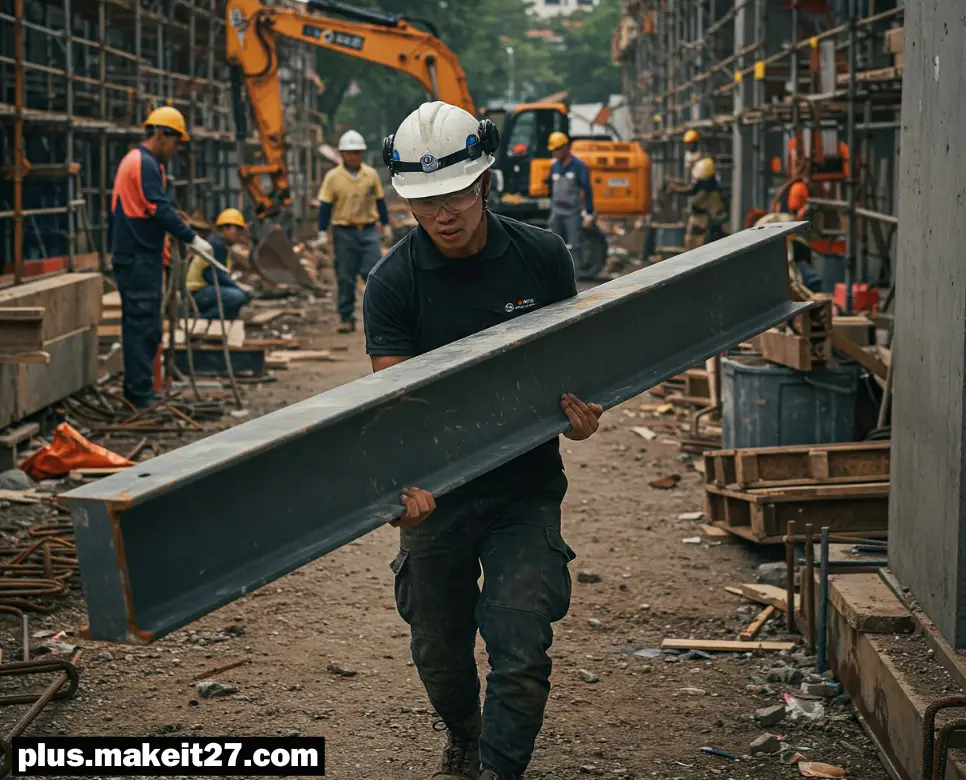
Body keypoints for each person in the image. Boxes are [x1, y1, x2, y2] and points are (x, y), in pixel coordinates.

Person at [363, 100, 605, 780]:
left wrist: (581, 414)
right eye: (425, 201)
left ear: (485, 182)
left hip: (524, 488)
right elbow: (394, 405)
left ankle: (500, 769)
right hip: (438, 495)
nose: (443, 214)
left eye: (456, 195)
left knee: (520, 643)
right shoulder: (392, 283)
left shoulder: (542, 257)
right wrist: (400, 489)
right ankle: (465, 734)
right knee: (439, 651)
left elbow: (571, 369)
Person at [110, 105, 213, 408]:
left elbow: (153, 208)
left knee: (146, 326)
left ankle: (141, 390)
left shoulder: (145, 163)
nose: (175, 148)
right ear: (159, 134)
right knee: (143, 326)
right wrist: (190, 237)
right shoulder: (142, 163)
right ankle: (139, 395)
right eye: (175, 141)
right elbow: (157, 206)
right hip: (137, 257)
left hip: (142, 256)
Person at [316, 129, 394, 333]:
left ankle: (380, 317)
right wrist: (322, 232)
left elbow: (380, 201)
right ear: (342, 154)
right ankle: (346, 316)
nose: (353, 156)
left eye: (357, 152)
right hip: (344, 232)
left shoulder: (371, 175)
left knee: (375, 272)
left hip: (368, 229)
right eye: (349, 153)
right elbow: (325, 206)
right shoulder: (333, 177)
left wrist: (386, 225)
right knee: (345, 276)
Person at [185, 208, 252, 320]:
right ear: (225, 228)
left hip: (204, 291)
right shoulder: (216, 245)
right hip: (197, 293)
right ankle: (201, 318)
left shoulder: (221, 245)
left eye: (241, 229)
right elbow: (211, 275)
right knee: (237, 296)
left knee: (238, 298)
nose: (240, 233)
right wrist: (238, 288)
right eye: (237, 229)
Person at [544, 131, 594, 257]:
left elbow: (587, 190)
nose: (554, 153)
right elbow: (550, 186)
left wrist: (589, 212)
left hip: (572, 213)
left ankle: (574, 269)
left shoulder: (579, 167)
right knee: (553, 246)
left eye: (557, 149)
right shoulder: (555, 167)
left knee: (573, 248)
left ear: (566, 148)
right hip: (556, 212)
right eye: (553, 150)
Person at [667, 157, 728, 250]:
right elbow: (690, 189)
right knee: (691, 242)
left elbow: (719, 216)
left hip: (704, 230)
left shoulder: (712, 195)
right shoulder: (704, 189)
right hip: (699, 225)